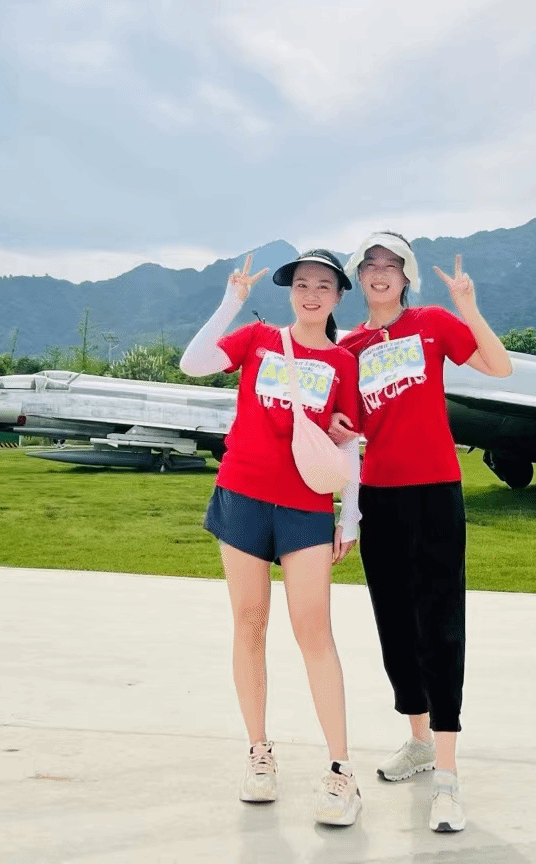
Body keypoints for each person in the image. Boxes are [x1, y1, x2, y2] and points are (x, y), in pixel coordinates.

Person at [332, 232, 512, 834]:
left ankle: (449, 777)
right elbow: (348, 432)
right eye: (370, 265)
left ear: (406, 275)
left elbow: (499, 366)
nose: (380, 272)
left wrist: (469, 306)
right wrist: (346, 503)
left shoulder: (432, 323)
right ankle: (418, 741)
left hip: (435, 490)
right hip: (379, 497)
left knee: (440, 624)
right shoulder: (349, 347)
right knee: (394, 623)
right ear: (359, 277)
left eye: (392, 264)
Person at [179, 249, 364, 827]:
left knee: (314, 632)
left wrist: (350, 516)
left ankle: (341, 771)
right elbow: (193, 363)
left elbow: (350, 443)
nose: (311, 294)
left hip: (306, 507)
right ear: (290, 292)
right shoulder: (258, 339)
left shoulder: (342, 360)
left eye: (323, 286)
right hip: (242, 495)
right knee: (250, 623)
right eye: (302, 284)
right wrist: (230, 301)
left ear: (338, 296)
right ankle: (259, 753)